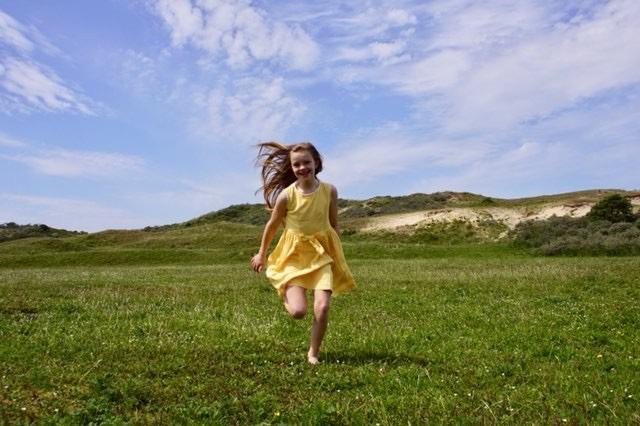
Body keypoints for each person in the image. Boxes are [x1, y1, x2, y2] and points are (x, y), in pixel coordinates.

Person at [250, 141, 355, 364]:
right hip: (294, 255)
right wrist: (261, 254)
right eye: (296, 164)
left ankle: (313, 353)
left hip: (321, 253)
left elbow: (333, 224)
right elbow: (272, 225)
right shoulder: (287, 196)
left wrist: (337, 253)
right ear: (292, 167)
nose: (302, 168)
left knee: (323, 306)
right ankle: (285, 288)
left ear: (316, 162)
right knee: (298, 311)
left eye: (306, 162)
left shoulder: (330, 191)